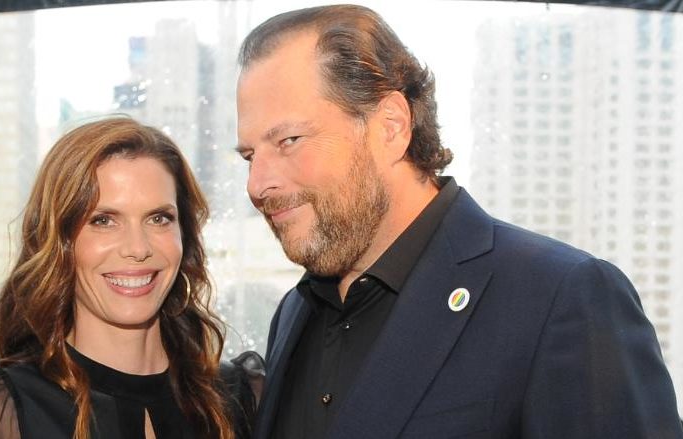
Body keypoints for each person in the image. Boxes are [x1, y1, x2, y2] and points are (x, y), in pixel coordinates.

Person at [235, 4, 683, 439]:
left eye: (289, 140)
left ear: (390, 125)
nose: (257, 185)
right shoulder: (295, 311)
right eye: (250, 156)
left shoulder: (559, 298)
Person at [0, 117, 261, 439]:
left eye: (159, 218)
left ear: (185, 234)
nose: (138, 248)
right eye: (103, 221)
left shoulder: (242, 397)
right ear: (59, 243)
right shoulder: (5, 410)